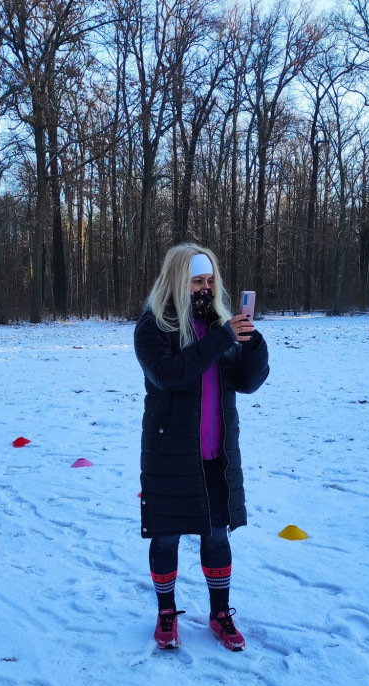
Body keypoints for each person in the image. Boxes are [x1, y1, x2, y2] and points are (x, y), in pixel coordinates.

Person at [133, 243, 270, 651]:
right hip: (170, 454)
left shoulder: (219, 326)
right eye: (197, 280)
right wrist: (220, 339)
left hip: (217, 453)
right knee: (167, 536)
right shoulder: (153, 327)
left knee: (216, 535)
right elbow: (169, 375)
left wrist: (252, 344)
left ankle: (220, 612)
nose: (205, 288)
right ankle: (166, 612)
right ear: (178, 280)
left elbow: (246, 382)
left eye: (210, 280)